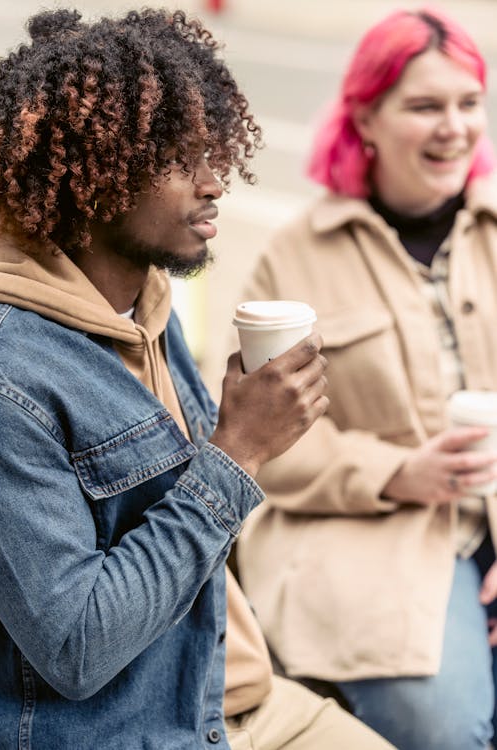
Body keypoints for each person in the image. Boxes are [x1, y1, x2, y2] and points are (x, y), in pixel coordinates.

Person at [0, 8, 398, 750]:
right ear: (94, 173)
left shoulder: (148, 303)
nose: (216, 184)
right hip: (132, 729)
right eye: (181, 160)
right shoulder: (9, 377)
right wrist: (237, 452)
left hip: (234, 693)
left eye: (216, 153)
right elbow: (76, 647)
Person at [235, 8, 497, 750]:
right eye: (424, 107)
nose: (454, 127)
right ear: (365, 119)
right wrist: (397, 472)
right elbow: (267, 443)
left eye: (468, 102)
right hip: (367, 537)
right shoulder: (293, 256)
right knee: (441, 729)